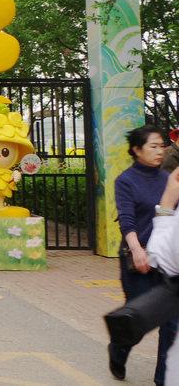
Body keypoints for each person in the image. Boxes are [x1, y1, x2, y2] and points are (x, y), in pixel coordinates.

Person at [109, 125, 176, 384]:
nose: (160, 151)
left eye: (162, 146)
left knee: (172, 322)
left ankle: (164, 379)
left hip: (167, 260)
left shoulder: (168, 179)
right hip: (139, 259)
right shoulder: (126, 180)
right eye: (153, 146)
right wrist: (137, 250)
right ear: (137, 150)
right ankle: (118, 350)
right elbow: (127, 220)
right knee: (137, 319)